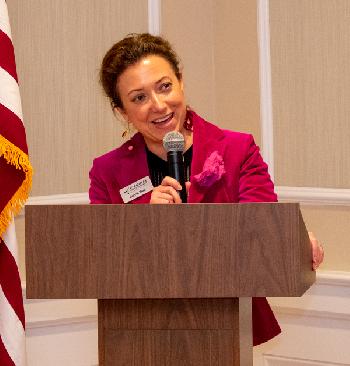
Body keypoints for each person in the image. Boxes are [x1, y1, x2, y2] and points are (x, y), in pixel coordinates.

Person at [89, 33, 324, 346]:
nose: (158, 105)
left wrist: (290, 238)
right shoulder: (107, 171)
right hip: (140, 331)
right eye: (139, 98)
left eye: (164, 86)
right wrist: (144, 223)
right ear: (122, 112)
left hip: (226, 323)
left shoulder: (238, 149)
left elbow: (263, 225)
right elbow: (99, 260)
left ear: (181, 82)